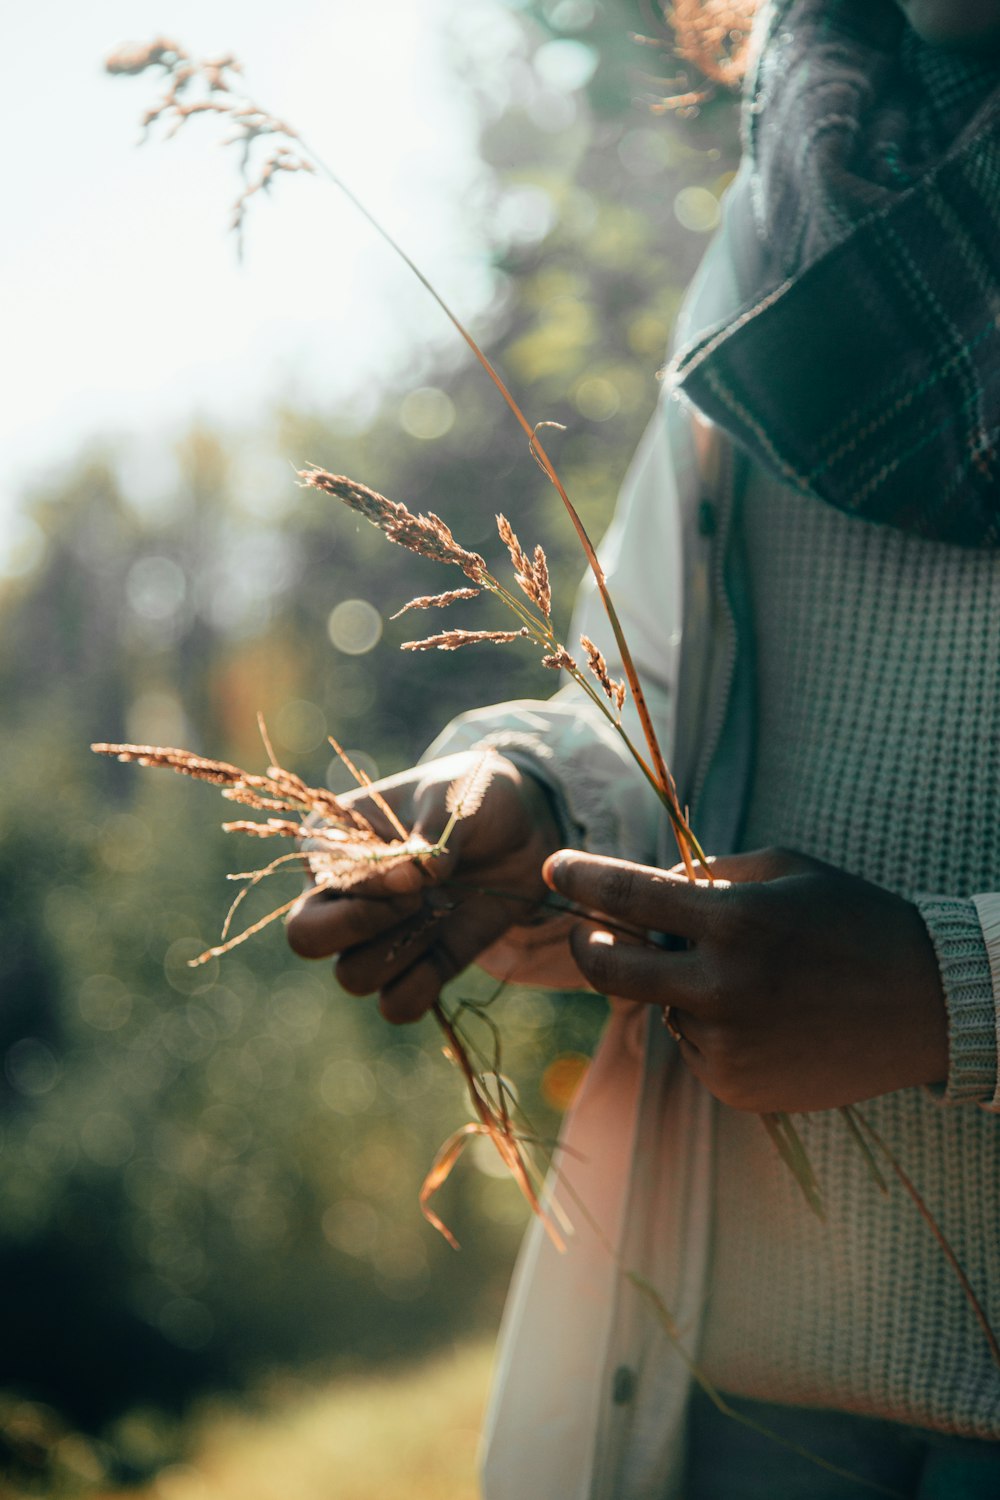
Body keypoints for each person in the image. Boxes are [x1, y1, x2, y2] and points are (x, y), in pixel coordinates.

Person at [287, 2, 1000, 1495]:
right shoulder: (805, 173)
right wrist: (542, 802)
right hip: (752, 1417)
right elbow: (670, 688)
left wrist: (952, 994)